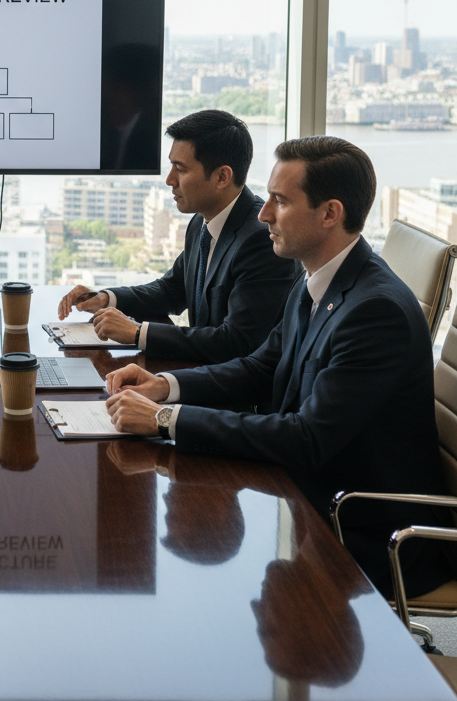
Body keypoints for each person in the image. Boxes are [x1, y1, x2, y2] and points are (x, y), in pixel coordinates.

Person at [105, 136, 454, 597]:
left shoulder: (375, 312)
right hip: (312, 492)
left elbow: (307, 439)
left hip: (366, 526)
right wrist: (164, 387)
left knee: (197, 577)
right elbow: (258, 367)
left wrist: (167, 420)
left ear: (330, 214)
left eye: (280, 201)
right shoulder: (317, 277)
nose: (263, 214)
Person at [59, 109, 298, 363]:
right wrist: (107, 298)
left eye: (180, 169)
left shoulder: (260, 241)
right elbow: (172, 289)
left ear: (222, 177)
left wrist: (137, 333)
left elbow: (236, 342)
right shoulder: (201, 222)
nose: (170, 180)